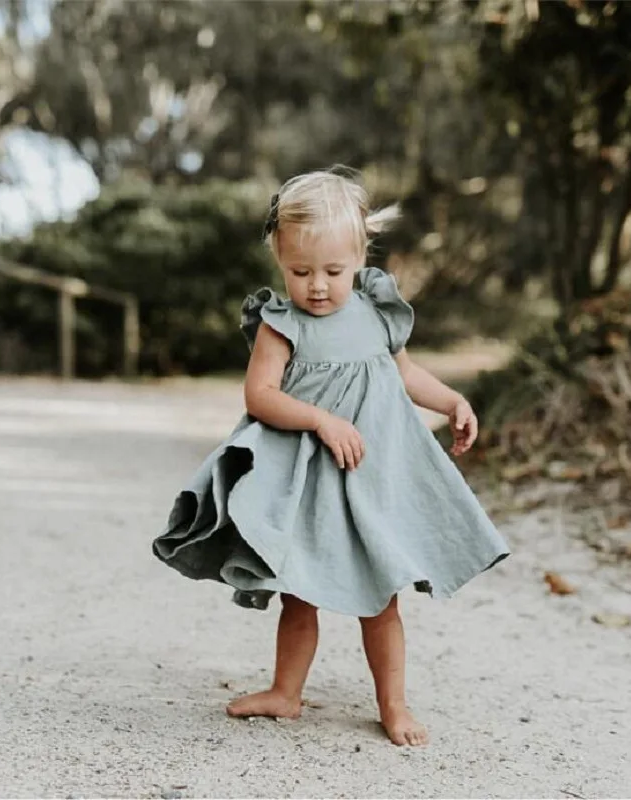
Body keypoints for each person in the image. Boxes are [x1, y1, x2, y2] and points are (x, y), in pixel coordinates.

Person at [152, 167, 509, 747]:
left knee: (381, 598)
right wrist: (320, 418)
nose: (317, 285)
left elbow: (406, 373)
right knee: (300, 592)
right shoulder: (282, 322)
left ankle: (393, 704)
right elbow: (260, 396)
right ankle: (285, 692)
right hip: (311, 481)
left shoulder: (374, 309)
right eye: (300, 271)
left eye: (333, 271)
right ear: (279, 261)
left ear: (360, 256)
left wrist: (451, 401)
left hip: (372, 478)